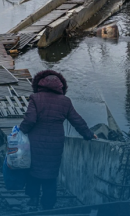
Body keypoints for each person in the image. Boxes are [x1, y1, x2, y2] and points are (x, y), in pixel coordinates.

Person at [19, 70, 96, 210]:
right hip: (56, 143)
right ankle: (48, 205)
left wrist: (20, 131)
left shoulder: (35, 98)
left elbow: (30, 120)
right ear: (61, 86)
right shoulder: (65, 102)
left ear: (40, 84)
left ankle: (33, 200)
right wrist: (89, 134)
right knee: (51, 172)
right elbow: (76, 120)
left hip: (35, 141)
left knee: (33, 170)